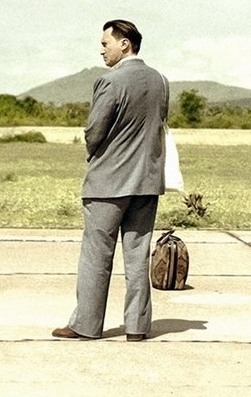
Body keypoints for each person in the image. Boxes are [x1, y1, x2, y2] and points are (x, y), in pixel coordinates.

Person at [53, 19, 170, 342]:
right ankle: (137, 326)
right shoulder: (160, 81)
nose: (101, 49)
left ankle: (86, 324)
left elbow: (95, 131)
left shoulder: (109, 82)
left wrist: (94, 151)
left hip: (108, 183)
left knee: (96, 255)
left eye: (105, 43)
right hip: (147, 181)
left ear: (124, 44)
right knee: (137, 255)